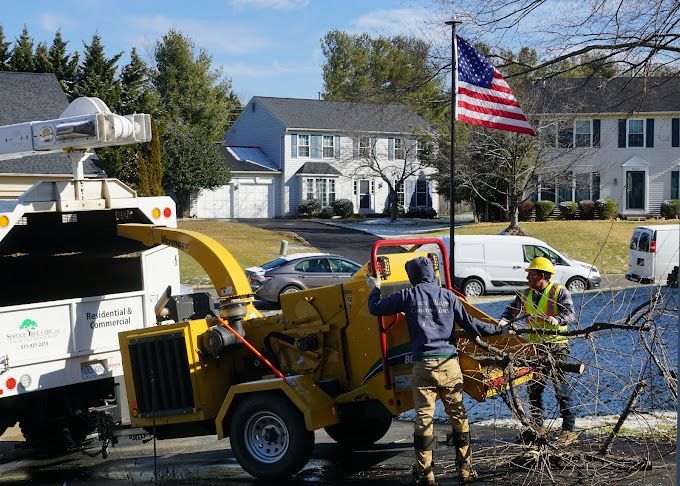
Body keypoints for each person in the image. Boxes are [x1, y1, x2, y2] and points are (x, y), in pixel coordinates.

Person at [366, 256, 499, 485]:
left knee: (424, 420)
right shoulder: (448, 296)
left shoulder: (408, 296)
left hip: (423, 366)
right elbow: (472, 325)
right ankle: (465, 470)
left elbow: (376, 308)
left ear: (413, 276)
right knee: (458, 417)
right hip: (449, 365)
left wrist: (375, 288)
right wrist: (497, 329)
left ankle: (426, 473)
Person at [498, 256, 577, 445]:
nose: (527, 279)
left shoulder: (559, 291)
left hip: (557, 348)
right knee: (534, 391)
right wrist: (504, 321)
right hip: (535, 349)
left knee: (561, 390)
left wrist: (558, 320)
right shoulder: (525, 294)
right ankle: (536, 427)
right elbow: (510, 311)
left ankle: (569, 430)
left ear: (542, 275)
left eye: (531, 275)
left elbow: (570, 313)